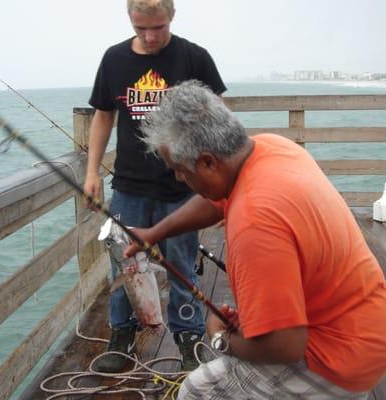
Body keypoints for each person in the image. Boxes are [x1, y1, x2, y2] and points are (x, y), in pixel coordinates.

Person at [125, 80, 386, 399]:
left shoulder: (254, 223)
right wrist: (154, 233)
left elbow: (285, 345)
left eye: (178, 169)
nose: (177, 177)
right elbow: (216, 197)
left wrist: (220, 338)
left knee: (194, 391)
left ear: (207, 162)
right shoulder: (272, 148)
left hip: (339, 357)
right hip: (371, 324)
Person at [83, 0, 226, 372]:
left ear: (172, 17)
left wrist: (222, 184)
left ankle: (188, 336)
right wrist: (92, 171)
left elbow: (219, 120)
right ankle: (122, 334)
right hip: (128, 186)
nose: (149, 36)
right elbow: (102, 117)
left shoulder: (195, 59)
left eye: (158, 27)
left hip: (181, 188)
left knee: (181, 266)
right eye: (140, 28)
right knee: (125, 265)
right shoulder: (114, 60)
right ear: (129, 20)